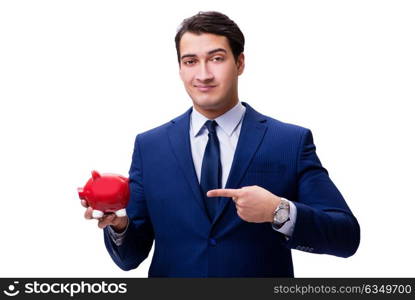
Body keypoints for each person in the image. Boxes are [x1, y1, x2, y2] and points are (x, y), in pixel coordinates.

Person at [81, 11, 360, 277]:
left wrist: (278, 210)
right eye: (190, 61)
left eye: (216, 59)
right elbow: (130, 257)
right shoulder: (150, 146)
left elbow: (346, 236)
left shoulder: (289, 141)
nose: (203, 74)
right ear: (179, 68)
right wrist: (119, 225)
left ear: (240, 63)